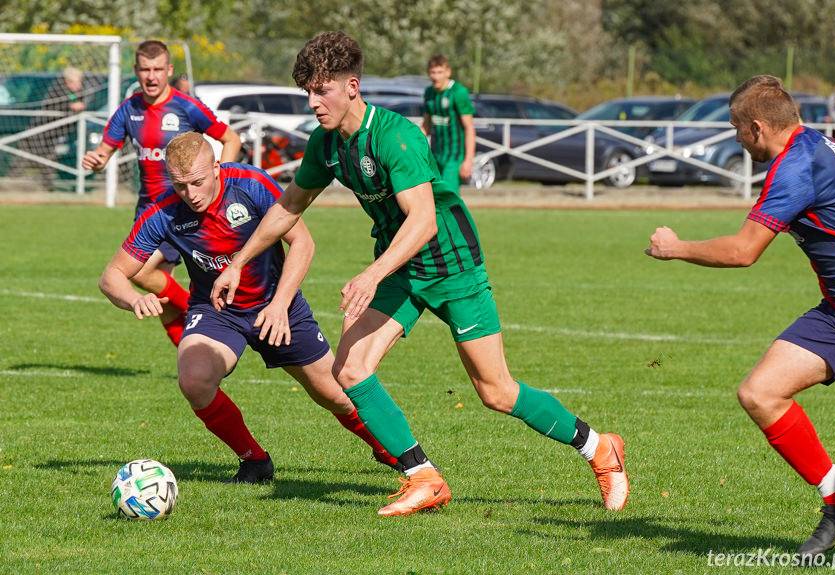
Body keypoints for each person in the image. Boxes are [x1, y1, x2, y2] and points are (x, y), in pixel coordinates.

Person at [211, 31, 629, 516]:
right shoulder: (327, 145)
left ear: (352, 85)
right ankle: (423, 477)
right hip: (401, 266)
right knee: (350, 368)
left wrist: (370, 275)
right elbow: (288, 207)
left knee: (496, 390)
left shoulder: (395, 136)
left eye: (321, 89)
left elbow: (424, 221)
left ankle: (599, 447)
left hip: (451, 265)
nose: (313, 102)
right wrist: (238, 263)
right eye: (307, 90)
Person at [99, 132, 399, 482]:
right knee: (194, 380)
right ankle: (254, 460)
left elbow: (302, 242)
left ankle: (391, 451)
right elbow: (112, 276)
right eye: (180, 186)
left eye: (197, 182)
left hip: (278, 304)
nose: (190, 194)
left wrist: (281, 304)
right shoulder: (164, 211)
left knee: (335, 395)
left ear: (216, 166)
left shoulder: (250, 184)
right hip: (217, 310)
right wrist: (134, 298)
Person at [646, 75, 835, 557]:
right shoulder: (815, 141)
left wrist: (675, 247)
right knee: (761, 393)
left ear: (758, 127)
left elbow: (744, 251)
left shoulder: (795, 168)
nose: (736, 139)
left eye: (736, 129)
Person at [83, 40, 241, 348]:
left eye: (158, 69)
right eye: (145, 70)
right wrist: (96, 161)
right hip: (148, 211)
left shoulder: (185, 106)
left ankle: (205, 313)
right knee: (163, 297)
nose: (151, 77)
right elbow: (104, 153)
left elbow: (230, 138)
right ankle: (196, 355)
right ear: (136, 72)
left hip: (181, 209)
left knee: (141, 272)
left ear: (168, 70)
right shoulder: (128, 110)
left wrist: (223, 179)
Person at [422, 55, 475, 193]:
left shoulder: (458, 92)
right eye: (433, 72)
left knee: (448, 197)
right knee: (435, 197)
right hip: (435, 155)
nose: (436, 76)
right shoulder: (429, 93)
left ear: (448, 72)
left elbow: (469, 128)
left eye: (440, 72)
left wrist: (468, 160)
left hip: (454, 156)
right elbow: (426, 127)